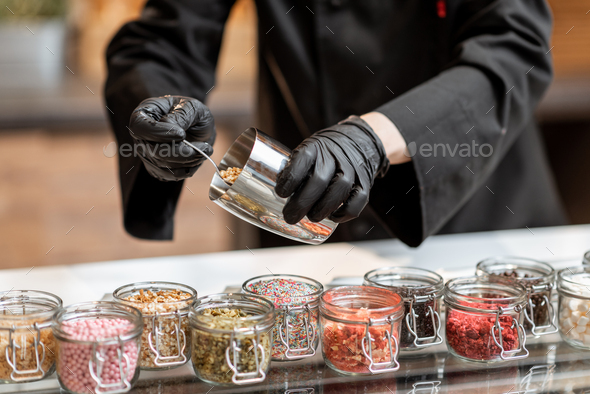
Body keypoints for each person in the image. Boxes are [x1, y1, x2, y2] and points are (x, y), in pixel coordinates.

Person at [105, 0, 567, 248]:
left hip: (471, 225)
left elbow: (513, 48)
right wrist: (160, 107)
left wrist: (372, 140)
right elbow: (162, 40)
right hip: (295, 206)